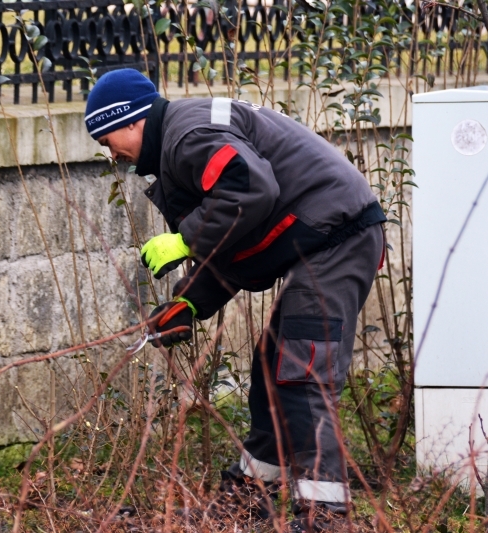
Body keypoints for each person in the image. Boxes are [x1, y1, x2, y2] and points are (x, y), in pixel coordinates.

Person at [83, 68, 385, 532]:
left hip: (338, 235)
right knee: (273, 365)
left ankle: (325, 513)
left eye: (107, 140)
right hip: (320, 235)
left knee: (303, 368)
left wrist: (183, 240)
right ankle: (252, 495)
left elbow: (250, 189)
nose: (111, 154)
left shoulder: (188, 136)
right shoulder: (177, 147)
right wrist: (189, 304)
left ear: (131, 121)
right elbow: (234, 243)